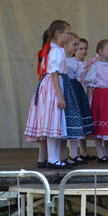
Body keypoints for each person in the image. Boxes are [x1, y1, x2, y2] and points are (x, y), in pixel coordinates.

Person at [24, 20, 84, 169]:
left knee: (54, 123)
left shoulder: (52, 49)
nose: (69, 35)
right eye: (67, 33)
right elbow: (54, 73)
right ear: (59, 34)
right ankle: (53, 159)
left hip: (50, 86)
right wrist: (60, 96)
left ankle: (52, 157)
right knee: (53, 123)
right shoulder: (56, 50)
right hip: (53, 87)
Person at [64, 33, 94, 164]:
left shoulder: (87, 64)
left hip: (81, 94)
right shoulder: (70, 61)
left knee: (81, 124)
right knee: (74, 124)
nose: (81, 50)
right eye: (78, 47)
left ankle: (81, 153)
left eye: (84, 48)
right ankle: (73, 154)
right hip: (74, 94)